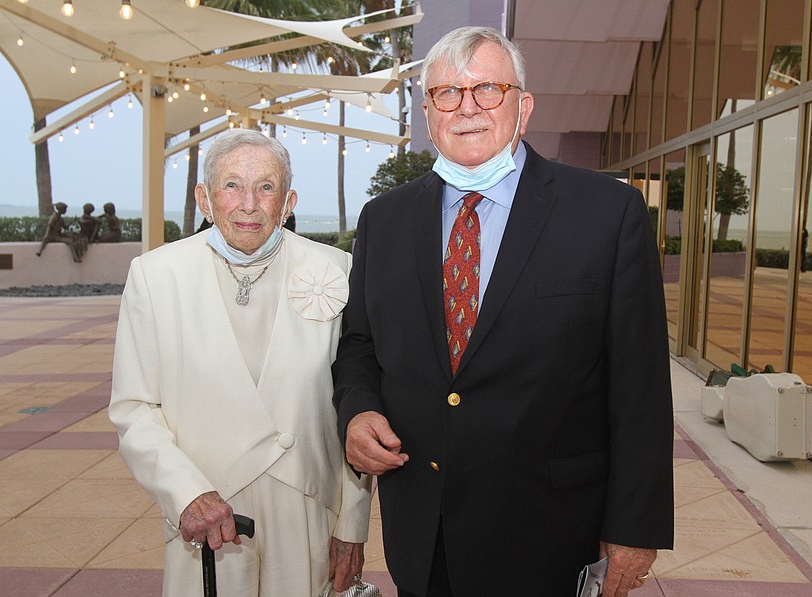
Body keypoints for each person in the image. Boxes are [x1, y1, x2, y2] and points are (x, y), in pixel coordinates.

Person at [332, 27, 674, 597]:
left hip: (549, 533)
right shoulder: (383, 221)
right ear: (427, 112)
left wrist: (635, 528)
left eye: (487, 89)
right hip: (424, 531)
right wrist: (358, 410)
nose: (467, 108)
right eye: (447, 93)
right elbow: (360, 345)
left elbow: (639, 388)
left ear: (524, 107)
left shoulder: (608, 214)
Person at [109, 129, 372, 596]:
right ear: (204, 198)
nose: (249, 203)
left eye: (266, 187)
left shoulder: (337, 270)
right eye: (231, 185)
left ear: (288, 200)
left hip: (308, 506)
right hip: (209, 511)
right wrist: (185, 492)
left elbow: (359, 400)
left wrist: (352, 521)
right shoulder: (155, 276)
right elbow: (134, 409)